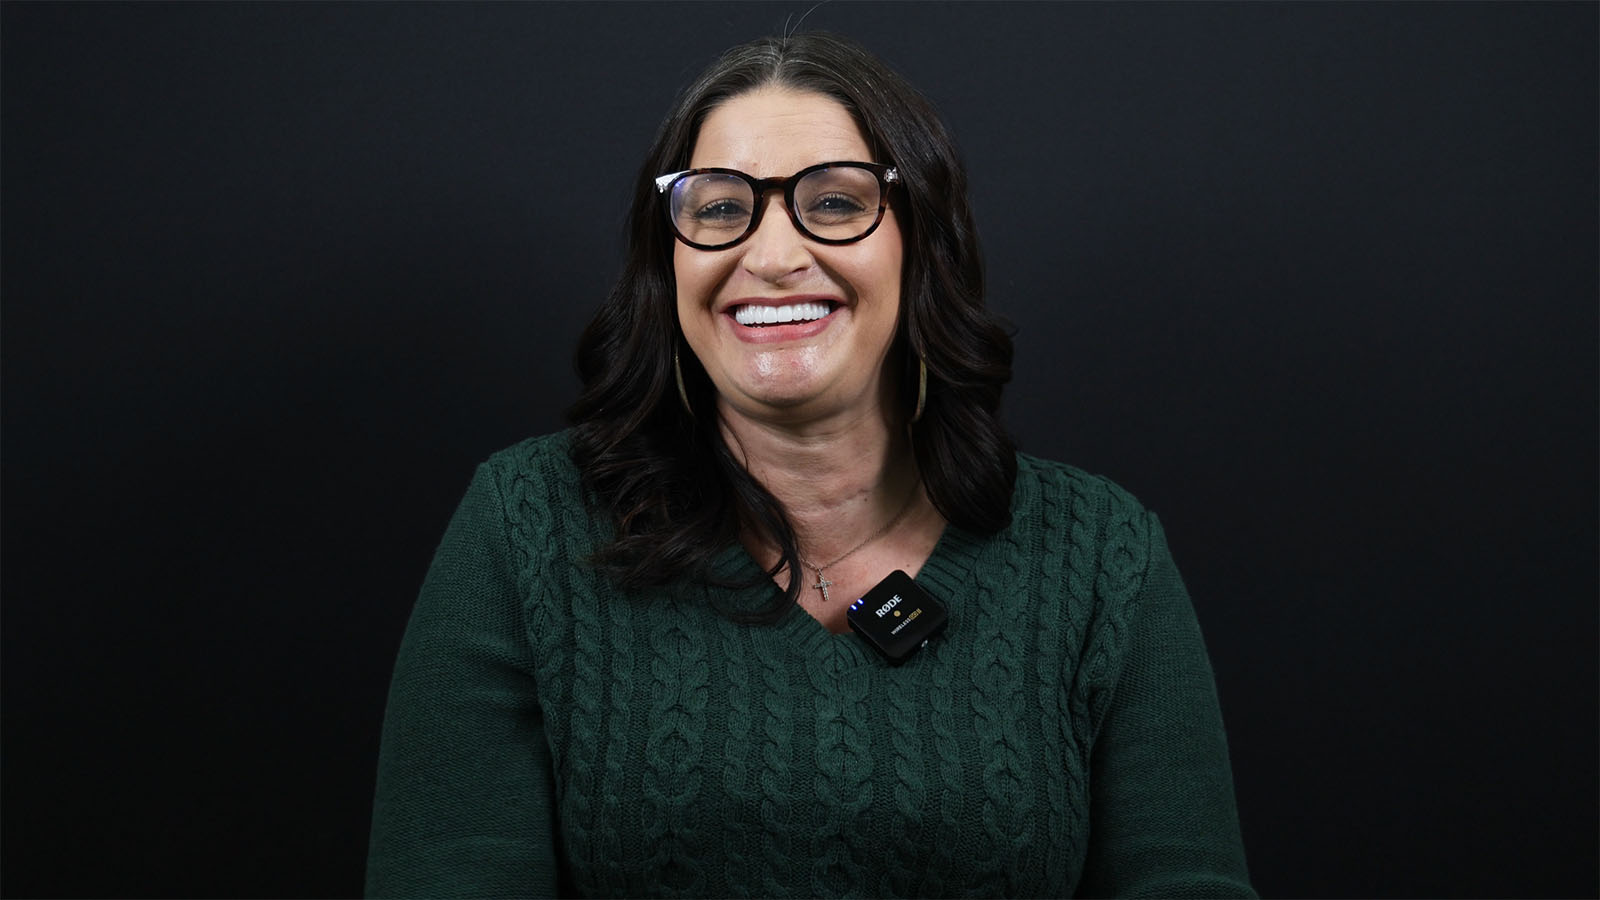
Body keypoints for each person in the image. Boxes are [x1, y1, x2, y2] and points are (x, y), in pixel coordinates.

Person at [366, 31, 1254, 900]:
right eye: (719, 208)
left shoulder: (1101, 556)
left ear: (921, 240)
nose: (775, 255)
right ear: (665, 255)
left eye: (833, 203)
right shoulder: (528, 525)